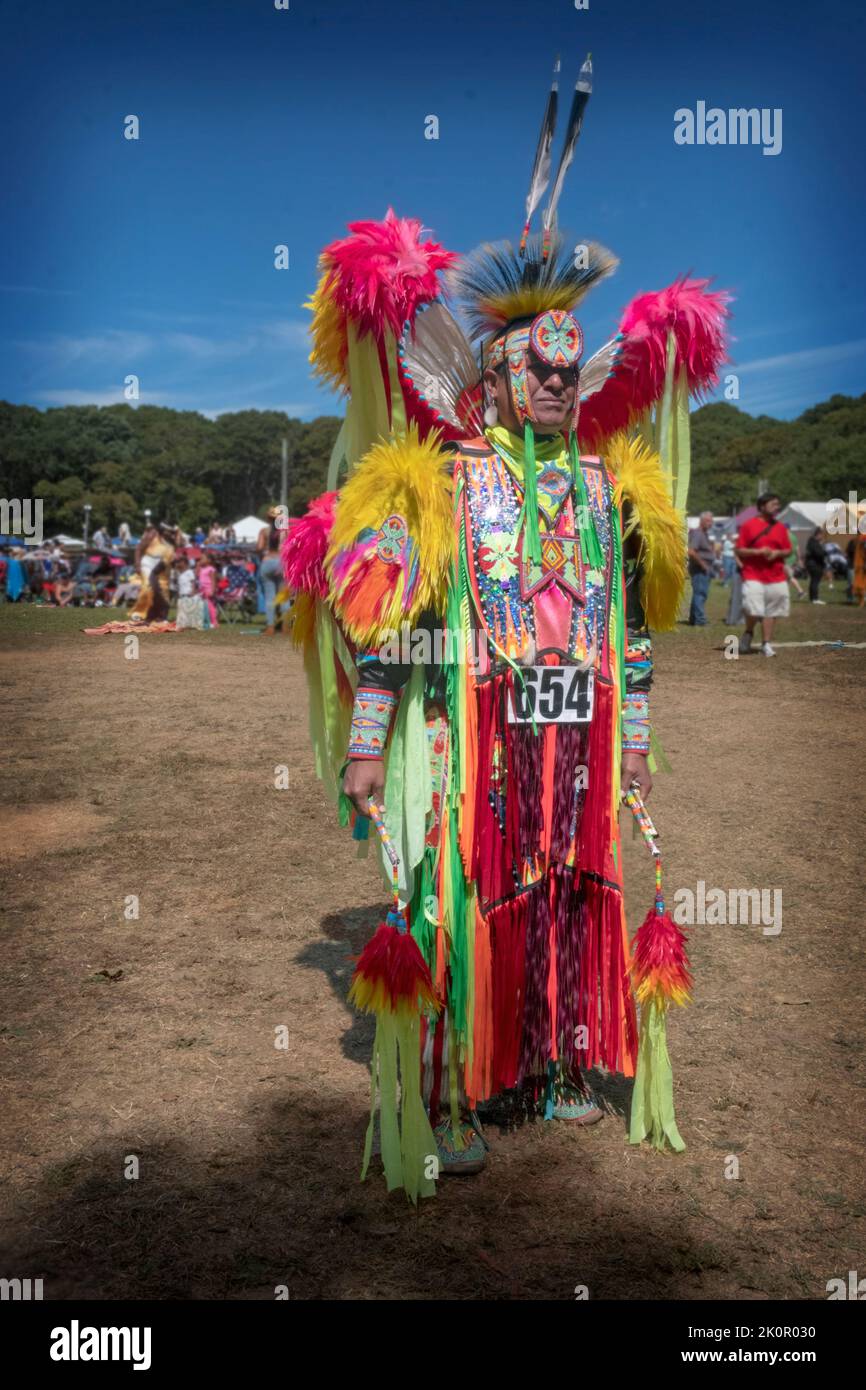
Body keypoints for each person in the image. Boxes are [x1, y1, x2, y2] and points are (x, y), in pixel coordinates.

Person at [285, 174, 729, 1195]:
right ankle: (448, 1092)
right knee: (456, 898)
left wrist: (631, 742)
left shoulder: (602, 487)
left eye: (567, 374)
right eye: (534, 370)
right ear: (485, 382)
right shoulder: (441, 482)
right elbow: (391, 625)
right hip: (468, 736)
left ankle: (548, 1065)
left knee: (570, 892)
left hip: (572, 736)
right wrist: (366, 742)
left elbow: (631, 633)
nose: (555, 389)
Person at [735, 493, 791, 656]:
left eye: (778, 504)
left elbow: (788, 550)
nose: (777, 507)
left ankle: (766, 643)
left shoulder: (780, 527)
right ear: (762, 506)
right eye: (773, 504)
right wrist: (757, 552)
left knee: (772, 611)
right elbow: (739, 550)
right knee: (752, 608)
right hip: (752, 574)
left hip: (776, 575)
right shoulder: (748, 525)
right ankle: (749, 632)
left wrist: (776, 553)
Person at [129, 522, 177, 622]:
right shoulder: (152, 535)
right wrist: (137, 564)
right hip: (148, 563)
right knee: (148, 587)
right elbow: (139, 549)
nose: (172, 533)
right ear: (163, 531)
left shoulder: (172, 541)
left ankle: (161, 616)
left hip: (164, 567)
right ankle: (139, 613)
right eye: (169, 531)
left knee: (163, 591)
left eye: (172, 532)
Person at [257, 507, 285, 636]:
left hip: (267, 562)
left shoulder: (264, 531)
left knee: (270, 597)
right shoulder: (286, 531)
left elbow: (259, 548)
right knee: (283, 596)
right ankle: (285, 626)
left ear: (268, 519)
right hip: (282, 562)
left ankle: (270, 627)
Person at [687, 511, 715, 625]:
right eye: (708, 521)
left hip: (702, 568)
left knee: (699, 593)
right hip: (700, 569)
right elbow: (691, 551)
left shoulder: (703, 533)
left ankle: (694, 619)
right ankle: (700, 620)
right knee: (700, 594)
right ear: (701, 521)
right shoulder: (698, 533)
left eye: (711, 521)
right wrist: (703, 564)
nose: (711, 523)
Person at [174, 554, 204, 630]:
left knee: (190, 610)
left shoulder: (189, 572)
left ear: (185, 563)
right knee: (182, 611)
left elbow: (193, 582)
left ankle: (193, 624)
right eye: (178, 562)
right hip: (182, 594)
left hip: (188, 593)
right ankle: (183, 624)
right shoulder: (180, 573)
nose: (178, 564)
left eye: (180, 562)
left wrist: (193, 591)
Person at [805, 527, 828, 604]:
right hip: (814, 564)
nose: (822, 537)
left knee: (813, 581)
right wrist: (824, 552)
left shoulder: (811, 542)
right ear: (818, 534)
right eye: (821, 535)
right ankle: (815, 598)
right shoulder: (814, 543)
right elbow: (818, 553)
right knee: (815, 581)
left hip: (812, 564)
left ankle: (813, 598)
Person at [196, 552, 219, 627]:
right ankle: (205, 620)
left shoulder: (211, 569)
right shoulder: (201, 568)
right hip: (202, 590)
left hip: (208, 589)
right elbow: (196, 575)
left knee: (210, 606)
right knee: (202, 605)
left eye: (202, 559)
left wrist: (212, 590)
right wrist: (198, 566)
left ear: (209, 560)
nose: (200, 560)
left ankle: (214, 622)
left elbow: (213, 580)